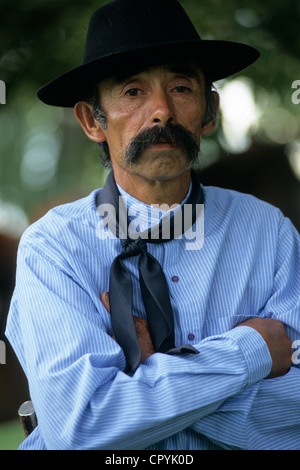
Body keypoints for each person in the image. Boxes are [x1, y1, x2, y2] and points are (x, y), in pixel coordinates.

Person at [6, 0, 300, 450]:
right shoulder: (53, 248)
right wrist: (251, 351)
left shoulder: (269, 234)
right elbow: (81, 426)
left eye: (181, 88)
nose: (161, 111)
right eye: (132, 92)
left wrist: (139, 384)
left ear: (209, 110)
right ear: (91, 120)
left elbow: (294, 412)